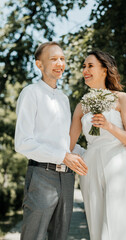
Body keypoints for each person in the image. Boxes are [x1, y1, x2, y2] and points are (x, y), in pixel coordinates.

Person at [14, 41, 88, 240]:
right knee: (34, 236)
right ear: (39, 65)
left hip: (67, 178)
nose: (59, 63)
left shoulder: (64, 99)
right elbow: (23, 142)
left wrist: (93, 153)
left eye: (62, 59)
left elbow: (65, 142)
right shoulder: (31, 93)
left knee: (60, 236)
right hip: (42, 176)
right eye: (53, 59)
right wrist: (63, 156)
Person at [70, 50, 126, 240]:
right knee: (96, 224)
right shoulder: (81, 106)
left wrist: (108, 126)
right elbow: (69, 144)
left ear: (104, 70)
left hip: (118, 163)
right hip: (90, 166)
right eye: (83, 66)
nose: (85, 70)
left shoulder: (121, 99)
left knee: (118, 222)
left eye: (90, 65)